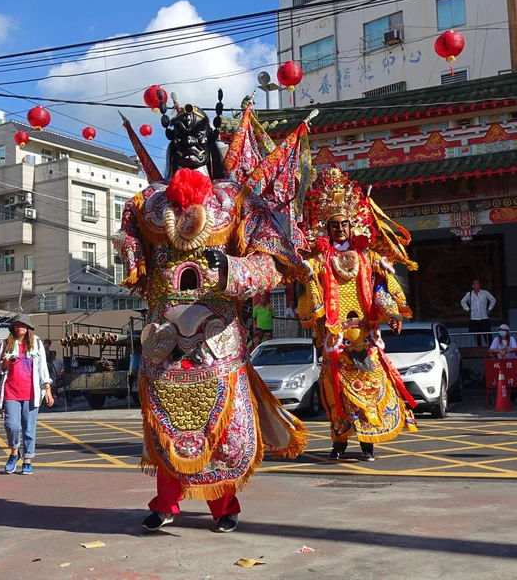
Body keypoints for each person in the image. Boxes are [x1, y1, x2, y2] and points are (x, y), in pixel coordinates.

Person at [113, 97, 309, 533]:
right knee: (166, 426)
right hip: (165, 338)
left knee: (222, 426)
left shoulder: (235, 200)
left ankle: (224, 507)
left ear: (213, 143)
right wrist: (131, 254)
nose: (189, 145)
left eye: (199, 137)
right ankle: (166, 504)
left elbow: (268, 266)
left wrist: (230, 270)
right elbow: (132, 247)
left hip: (217, 335)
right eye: (180, 138)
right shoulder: (146, 202)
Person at [297, 167, 418, 462]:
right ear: (326, 230)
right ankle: (339, 443)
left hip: (365, 336)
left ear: (353, 227)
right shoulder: (318, 263)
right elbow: (308, 301)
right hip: (335, 339)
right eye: (334, 225)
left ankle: (367, 444)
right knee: (335, 393)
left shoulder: (369, 258)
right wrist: (308, 278)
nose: (340, 230)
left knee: (371, 389)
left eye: (345, 224)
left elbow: (381, 292)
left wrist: (390, 313)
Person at [0, 314, 54, 474]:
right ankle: (14, 452)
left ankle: (27, 459)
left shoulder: (36, 343)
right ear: (13, 327)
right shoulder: (6, 344)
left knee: (29, 428)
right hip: (11, 391)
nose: (19, 327)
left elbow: (42, 367)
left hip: (31, 392)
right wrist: (5, 363)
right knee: (11, 426)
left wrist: (47, 388)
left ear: (28, 327)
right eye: (17, 325)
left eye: (23, 325)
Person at [460, 280, 496, 346]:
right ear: (472, 286)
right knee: (477, 337)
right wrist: (467, 309)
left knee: (487, 336)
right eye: (476, 283)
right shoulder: (469, 294)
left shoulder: (485, 293)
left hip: (484, 318)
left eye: (479, 282)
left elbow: (493, 299)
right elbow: (463, 301)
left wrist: (489, 309)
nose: (478, 284)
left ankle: (491, 350)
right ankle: (479, 351)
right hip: (474, 319)